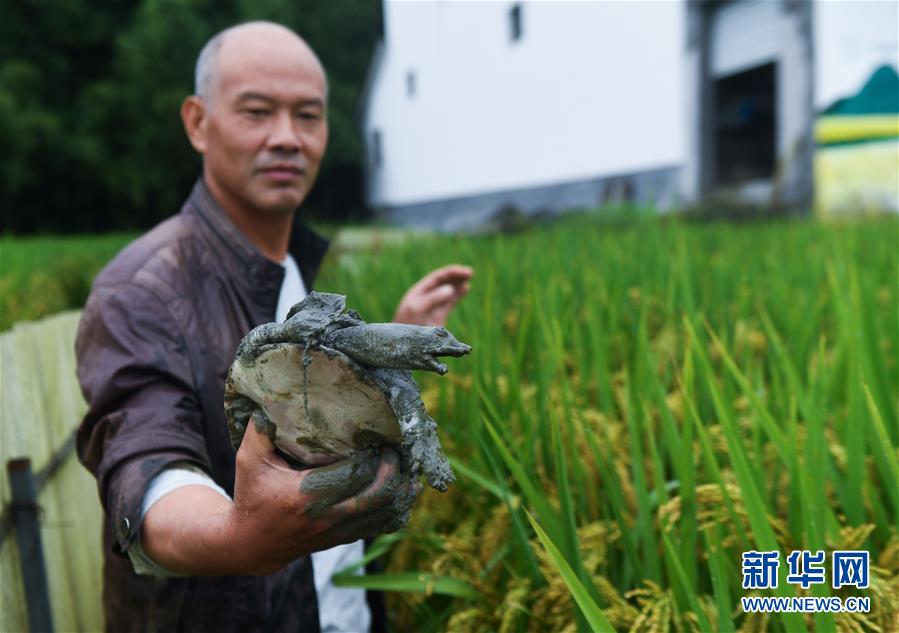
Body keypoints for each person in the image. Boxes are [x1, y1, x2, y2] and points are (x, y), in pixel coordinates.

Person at [75, 21, 472, 633]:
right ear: (198, 123)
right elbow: (146, 463)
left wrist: (394, 341)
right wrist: (238, 536)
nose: (287, 137)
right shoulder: (140, 291)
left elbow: (320, 415)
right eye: (257, 112)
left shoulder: (298, 272)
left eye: (308, 116)